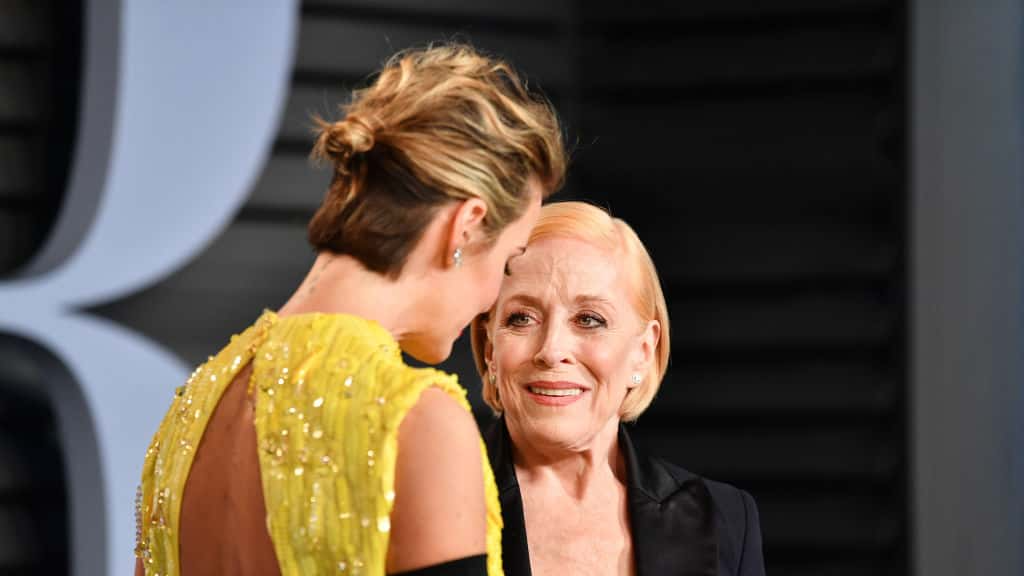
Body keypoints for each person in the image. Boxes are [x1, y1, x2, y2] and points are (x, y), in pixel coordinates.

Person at [134, 44, 566, 576]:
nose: (490, 303)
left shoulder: (191, 410)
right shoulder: (417, 422)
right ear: (467, 224)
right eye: (507, 262)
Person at [471, 201, 766, 576]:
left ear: (643, 353)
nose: (551, 350)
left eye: (589, 319)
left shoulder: (725, 518)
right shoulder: (425, 502)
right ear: (490, 348)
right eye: (521, 318)